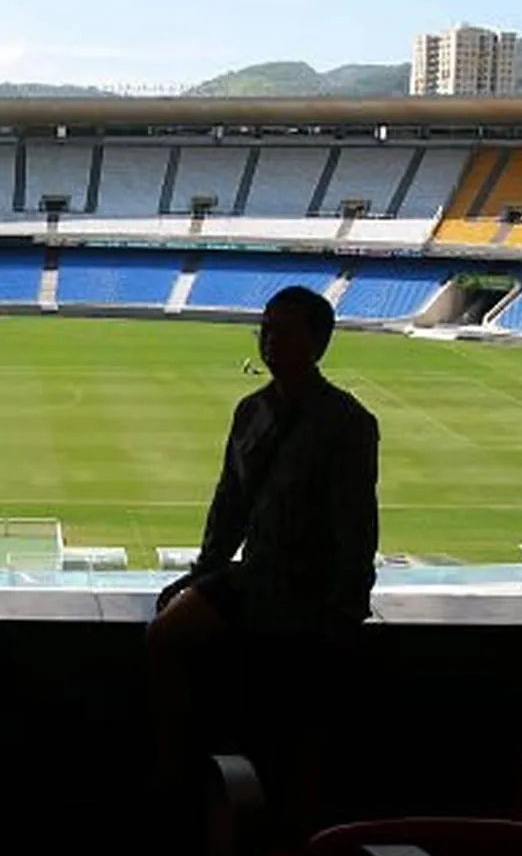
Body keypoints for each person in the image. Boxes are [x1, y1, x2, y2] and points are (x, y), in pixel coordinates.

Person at [147, 286, 380, 811]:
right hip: (254, 578)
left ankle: (293, 830)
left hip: (309, 591)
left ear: (318, 342)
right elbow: (228, 500)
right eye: (265, 329)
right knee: (165, 634)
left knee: (293, 728)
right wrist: (201, 573)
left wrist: (345, 609)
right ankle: (174, 776)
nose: (270, 341)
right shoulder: (250, 410)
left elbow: (357, 524)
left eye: (284, 331)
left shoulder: (348, 423)